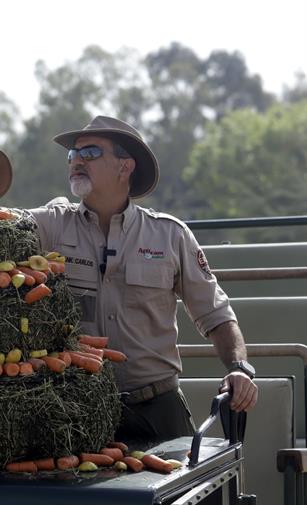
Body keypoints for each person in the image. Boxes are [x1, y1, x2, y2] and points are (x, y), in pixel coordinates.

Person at [27, 115, 258, 441]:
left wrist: (238, 368)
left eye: (90, 153)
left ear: (125, 167)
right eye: (72, 155)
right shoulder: (52, 225)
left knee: (185, 490)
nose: (76, 161)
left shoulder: (170, 235)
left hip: (158, 407)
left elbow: (217, 316)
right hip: (74, 408)